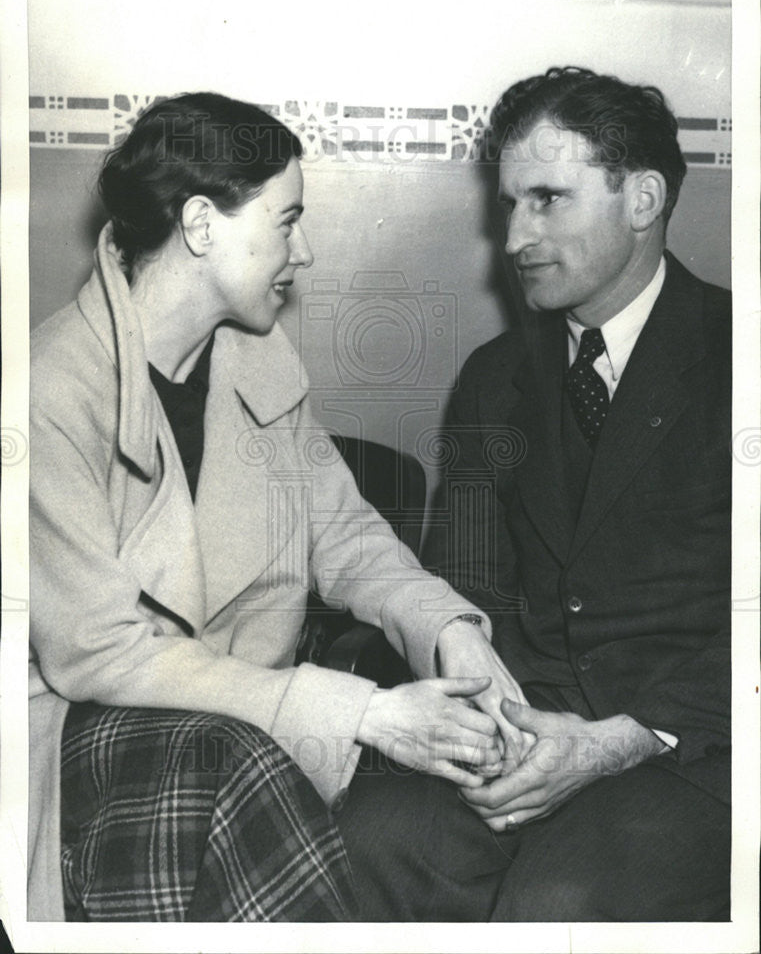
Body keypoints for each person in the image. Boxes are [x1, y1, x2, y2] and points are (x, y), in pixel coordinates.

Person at [28, 92, 528, 922]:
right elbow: (101, 660)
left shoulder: (254, 352)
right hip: (87, 738)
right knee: (242, 763)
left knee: (281, 775)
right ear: (200, 224)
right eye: (287, 219)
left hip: (236, 722)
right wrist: (362, 712)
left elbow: (342, 532)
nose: (307, 249)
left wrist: (447, 630)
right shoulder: (48, 390)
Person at [336, 66, 731, 921]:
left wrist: (617, 740)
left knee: (557, 903)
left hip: (693, 747)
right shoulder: (494, 377)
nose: (515, 237)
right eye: (509, 206)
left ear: (642, 199)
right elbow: (464, 583)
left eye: (547, 199)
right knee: (359, 844)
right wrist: (499, 723)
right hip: (519, 732)